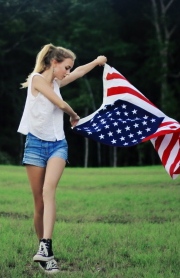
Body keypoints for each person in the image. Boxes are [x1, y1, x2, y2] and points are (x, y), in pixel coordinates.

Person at [18, 44, 107, 274]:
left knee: (49, 192)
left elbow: (78, 73)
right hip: (35, 146)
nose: (68, 72)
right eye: (66, 67)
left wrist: (97, 62)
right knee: (38, 203)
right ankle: (45, 252)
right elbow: (60, 104)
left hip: (58, 144)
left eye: (70, 68)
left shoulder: (57, 82)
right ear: (54, 63)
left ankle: (46, 247)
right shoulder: (38, 79)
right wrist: (75, 116)